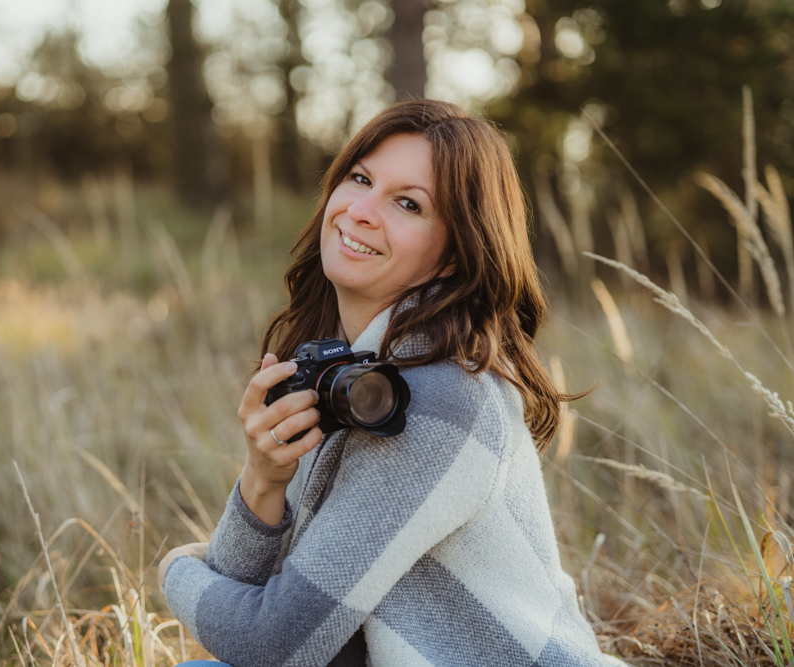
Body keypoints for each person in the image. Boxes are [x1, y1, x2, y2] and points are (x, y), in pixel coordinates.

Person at [158, 99, 624, 667]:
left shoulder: (438, 399)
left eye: (407, 204)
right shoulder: (350, 374)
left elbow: (273, 645)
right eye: (360, 179)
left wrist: (175, 568)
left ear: (456, 254)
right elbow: (256, 607)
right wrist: (262, 479)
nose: (360, 212)